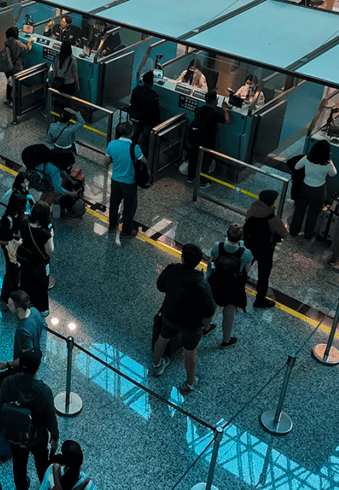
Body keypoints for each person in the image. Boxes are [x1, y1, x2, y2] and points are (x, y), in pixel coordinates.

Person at [151, 243, 217, 394]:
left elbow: (160, 286)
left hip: (170, 314)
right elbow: (209, 310)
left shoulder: (171, 270)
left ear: (182, 258)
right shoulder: (201, 283)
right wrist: (205, 327)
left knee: (162, 338)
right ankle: (189, 383)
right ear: (199, 262)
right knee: (190, 352)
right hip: (192, 324)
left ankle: (156, 365)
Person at [0, 350, 58, 490]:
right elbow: (50, 418)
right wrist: (55, 437)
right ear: (37, 369)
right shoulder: (44, 391)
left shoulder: (8, 382)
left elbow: (0, 404)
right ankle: (44, 486)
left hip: (15, 434)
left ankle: (22, 487)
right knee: (42, 464)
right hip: (38, 436)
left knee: (19, 464)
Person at [206, 224, 254, 348]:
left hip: (216, 282)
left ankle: (205, 328)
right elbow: (247, 271)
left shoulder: (218, 246)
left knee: (210, 307)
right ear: (240, 238)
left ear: (227, 235)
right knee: (228, 315)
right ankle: (226, 340)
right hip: (233, 288)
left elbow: (210, 261)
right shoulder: (246, 253)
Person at [243, 189, 288, 309]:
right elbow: (284, 234)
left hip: (250, 246)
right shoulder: (273, 220)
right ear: (272, 202)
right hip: (265, 250)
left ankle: (236, 291)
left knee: (244, 269)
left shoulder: (251, 211)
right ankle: (260, 300)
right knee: (263, 276)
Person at [288, 139, 337, 239]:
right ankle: (308, 234)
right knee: (313, 213)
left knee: (299, 210)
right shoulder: (328, 163)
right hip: (319, 189)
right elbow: (333, 174)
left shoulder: (307, 158)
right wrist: (330, 160)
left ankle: (294, 231)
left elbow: (297, 167)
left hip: (305, 187)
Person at [105, 122, 143, 238]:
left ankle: (112, 225)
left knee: (114, 203)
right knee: (129, 207)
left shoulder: (112, 144)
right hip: (129, 183)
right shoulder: (134, 148)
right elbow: (143, 161)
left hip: (115, 181)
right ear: (131, 133)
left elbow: (106, 162)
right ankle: (126, 231)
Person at [16, 203, 54, 315]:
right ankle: (42, 308)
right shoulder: (45, 233)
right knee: (41, 285)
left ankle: (26, 303)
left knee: (25, 282)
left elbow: (18, 235)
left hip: (26, 259)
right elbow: (50, 250)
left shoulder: (24, 223)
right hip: (39, 263)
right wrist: (51, 235)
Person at [0, 175, 30, 304]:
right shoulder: (7, 220)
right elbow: (1, 239)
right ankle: (5, 297)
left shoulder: (18, 216)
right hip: (9, 247)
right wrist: (13, 241)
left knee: (15, 270)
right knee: (11, 271)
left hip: (14, 246)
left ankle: (13, 290)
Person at [187, 92, 230, 187]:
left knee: (193, 158)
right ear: (215, 101)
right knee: (206, 161)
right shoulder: (215, 114)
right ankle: (203, 182)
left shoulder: (198, 110)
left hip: (195, 139)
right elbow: (227, 121)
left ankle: (190, 177)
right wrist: (225, 109)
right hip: (207, 141)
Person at [0, 290, 45, 369]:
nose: (7, 305)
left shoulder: (22, 331)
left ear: (19, 309)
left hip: (23, 367)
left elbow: (27, 358)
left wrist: (7, 364)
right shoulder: (35, 311)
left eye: (10, 304)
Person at [128, 71, 160, 157]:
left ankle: (130, 152)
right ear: (152, 82)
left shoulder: (136, 89)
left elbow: (132, 101)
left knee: (135, 135)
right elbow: (155, 110)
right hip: (147, 121)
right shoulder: (154, 94)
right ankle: (143, 158)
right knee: (145, 140)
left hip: (135, 117)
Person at [2, 27, 33, 104]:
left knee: (10, 82)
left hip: (7, 67)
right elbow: (27, 49)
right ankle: (14, 102)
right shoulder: (17, 43)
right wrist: (29, 41)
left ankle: (8, 98)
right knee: (16, 85)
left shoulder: (7, 42)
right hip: (16, 68)